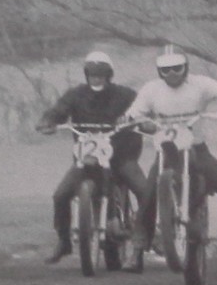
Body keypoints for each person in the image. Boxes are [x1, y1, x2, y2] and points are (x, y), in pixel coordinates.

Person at [120, 48, 217, 272]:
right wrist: (139, 121)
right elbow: (134, 112)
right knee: (148, 195)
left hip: (197, 150)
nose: (172, 74)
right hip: (166, 153)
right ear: (159, 71)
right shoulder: (151, 89)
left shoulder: (200, 85)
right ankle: (138, 251)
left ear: (185, 68)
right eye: (166, 70)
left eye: (176, 69)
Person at [37, 51, 146, 264]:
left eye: (101, 72)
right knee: (60, 195)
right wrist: (48, 121)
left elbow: (141, 111)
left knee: (144, 189)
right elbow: (59, 110)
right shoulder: (75, 94)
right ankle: (64, 241)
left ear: (109, 74)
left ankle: (146, 235)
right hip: (88, 156)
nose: (96, 77)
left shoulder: (125, 95)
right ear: (86, 73)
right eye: (92, 72)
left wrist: (140, 121)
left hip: (121, 155)